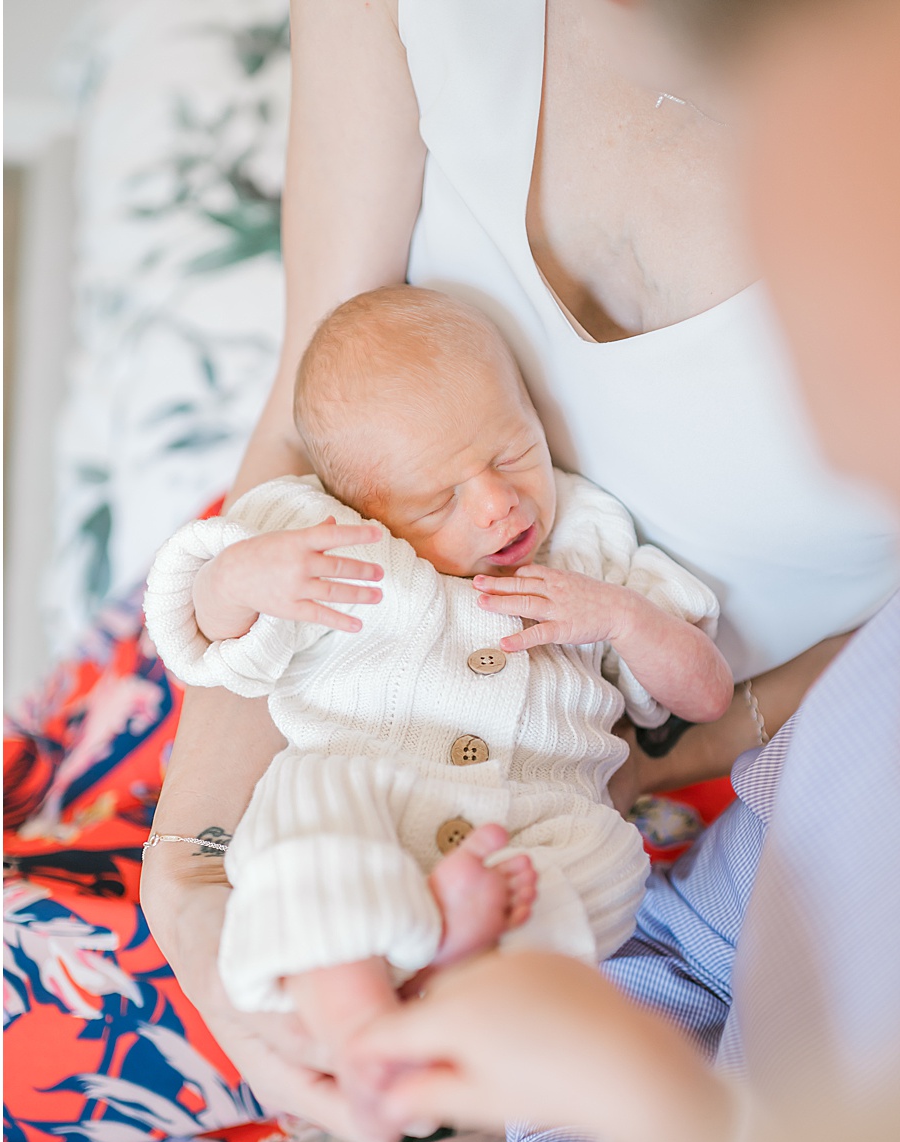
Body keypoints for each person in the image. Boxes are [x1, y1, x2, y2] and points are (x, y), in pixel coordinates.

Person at [3, 0, 895, 1142]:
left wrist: (675, 717)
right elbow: (289, 468)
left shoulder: (607, 562)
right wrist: (191, 863)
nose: (493, 508)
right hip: (311, 713)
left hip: (640, 788)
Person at [144, 286, 727, 1048]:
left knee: (612, 864)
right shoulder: (328, 542)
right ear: (360, 504)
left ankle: (453, 971)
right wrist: (240, 580)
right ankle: (350, 1009)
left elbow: (708, 693)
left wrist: (623, 616)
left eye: (511, 453)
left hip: (533, 821)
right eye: (439, 499)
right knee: (306, 797)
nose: (496, 503)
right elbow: (198, 629)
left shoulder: (593, 547)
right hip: (372, 795)